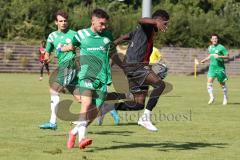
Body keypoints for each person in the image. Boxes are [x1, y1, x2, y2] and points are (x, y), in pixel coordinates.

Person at [100, 9, 169, 132]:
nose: (166, 26)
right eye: (165, 23)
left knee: (138, 104)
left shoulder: (143, 31)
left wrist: (112, 43)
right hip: (136, 66)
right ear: (159, 20)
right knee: (160, 85)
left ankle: (108, 106)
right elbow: (141, 20)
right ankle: (145, 118)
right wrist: (155, 22)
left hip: (132, 67)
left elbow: (127, 35)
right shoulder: (148, 27)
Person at [62, 9, 119, 149]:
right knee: (86, 103)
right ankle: (82, 139)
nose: (104, 27)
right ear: (93, 21)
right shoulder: (81, 34)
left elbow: (112, 53)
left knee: (94, 111)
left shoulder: (107, 36)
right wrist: (60, 49)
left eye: (105, 24)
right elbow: (72, 46)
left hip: (102, 78)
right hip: (86, 75)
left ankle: (73, 131)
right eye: (101, 24)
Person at [39, 11, 80, 130]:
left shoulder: (74, 34)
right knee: (80, 98)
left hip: (70, 65)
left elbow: (80, 46)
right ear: (56, 22)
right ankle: (104, 106)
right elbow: (47, 52)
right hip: (64, 66)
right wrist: (46, 58)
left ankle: (52, 122)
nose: (63, 23)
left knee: (53, 89)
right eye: (61, 21)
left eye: (65, 21)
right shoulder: (52, 36)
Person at [200, 34, 229, 105]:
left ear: (217, 39)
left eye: (216, 38)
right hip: (212, 68)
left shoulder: (221, 47)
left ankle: (225, 97)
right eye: (213, 39)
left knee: (222, 84)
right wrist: (204, 60)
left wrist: (219, 56)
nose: (214, 40)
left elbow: (227, 56)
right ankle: (211, 97)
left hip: (220, 68)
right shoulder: (210, 47)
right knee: (209, 83)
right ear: (211, 40)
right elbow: (211, 55)